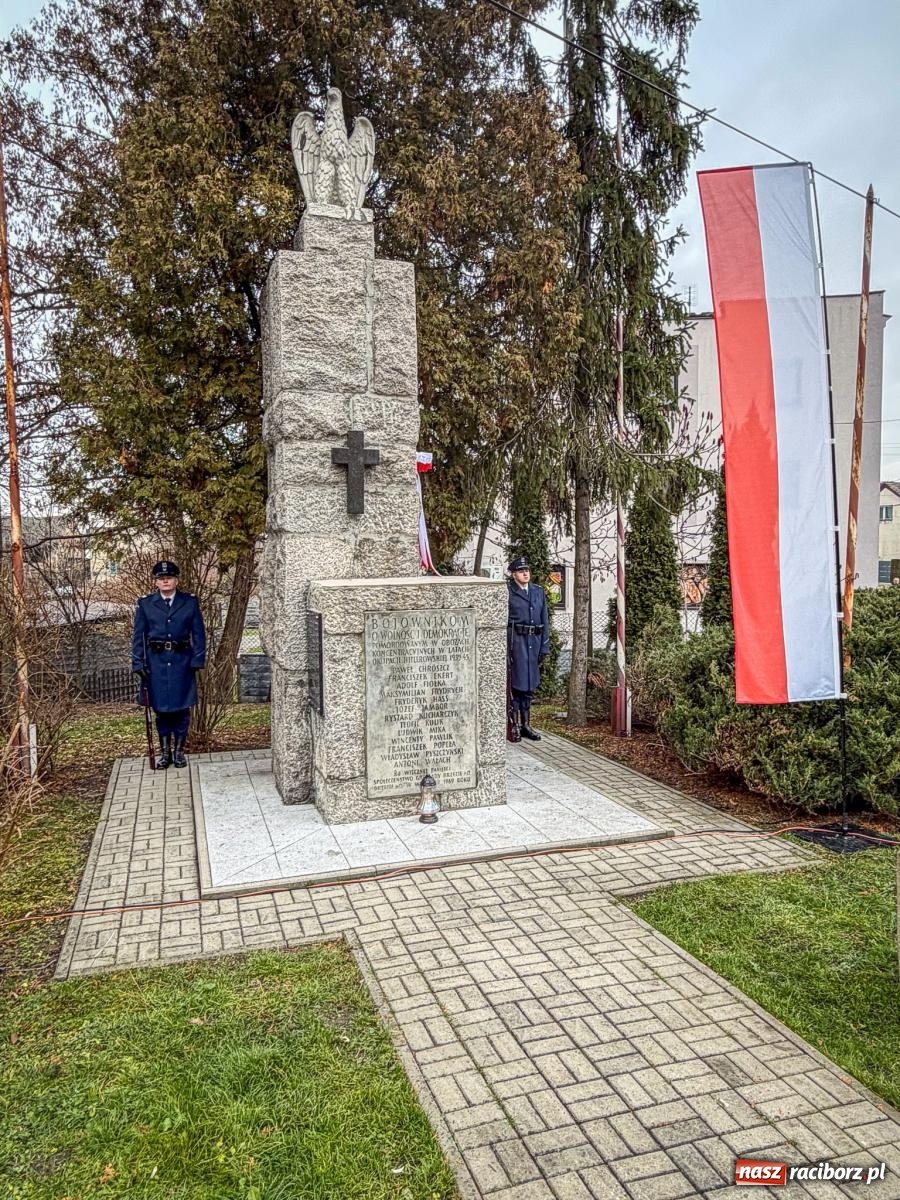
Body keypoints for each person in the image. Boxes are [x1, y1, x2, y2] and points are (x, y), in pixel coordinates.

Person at [131, 560, 207, 768]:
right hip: (156, 664)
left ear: (176, 580)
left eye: (169, 578)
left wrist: (197, 660)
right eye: (161, 578)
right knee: (161, 709)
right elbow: (138, 636)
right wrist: (138, 663)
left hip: (182, 662)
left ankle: (179, 751)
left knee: (181, 709)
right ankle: (165, 753)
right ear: (156, 582)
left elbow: (199, 634)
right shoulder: (146, 604)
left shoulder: (189, 602)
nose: (165, 581)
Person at [506, 556, 550, 742]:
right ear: (514, 574)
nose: (526, 574)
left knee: (530, 686)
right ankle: (514, 725)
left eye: (527, 571)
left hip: (534, 642)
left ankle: (526, 724)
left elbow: (544, 620)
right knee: (517, 686)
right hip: (518, 643)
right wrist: (508, 650)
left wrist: (544, 646)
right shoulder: (508, 592)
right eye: (521, 571)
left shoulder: (537, 592)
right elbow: (506, 623)